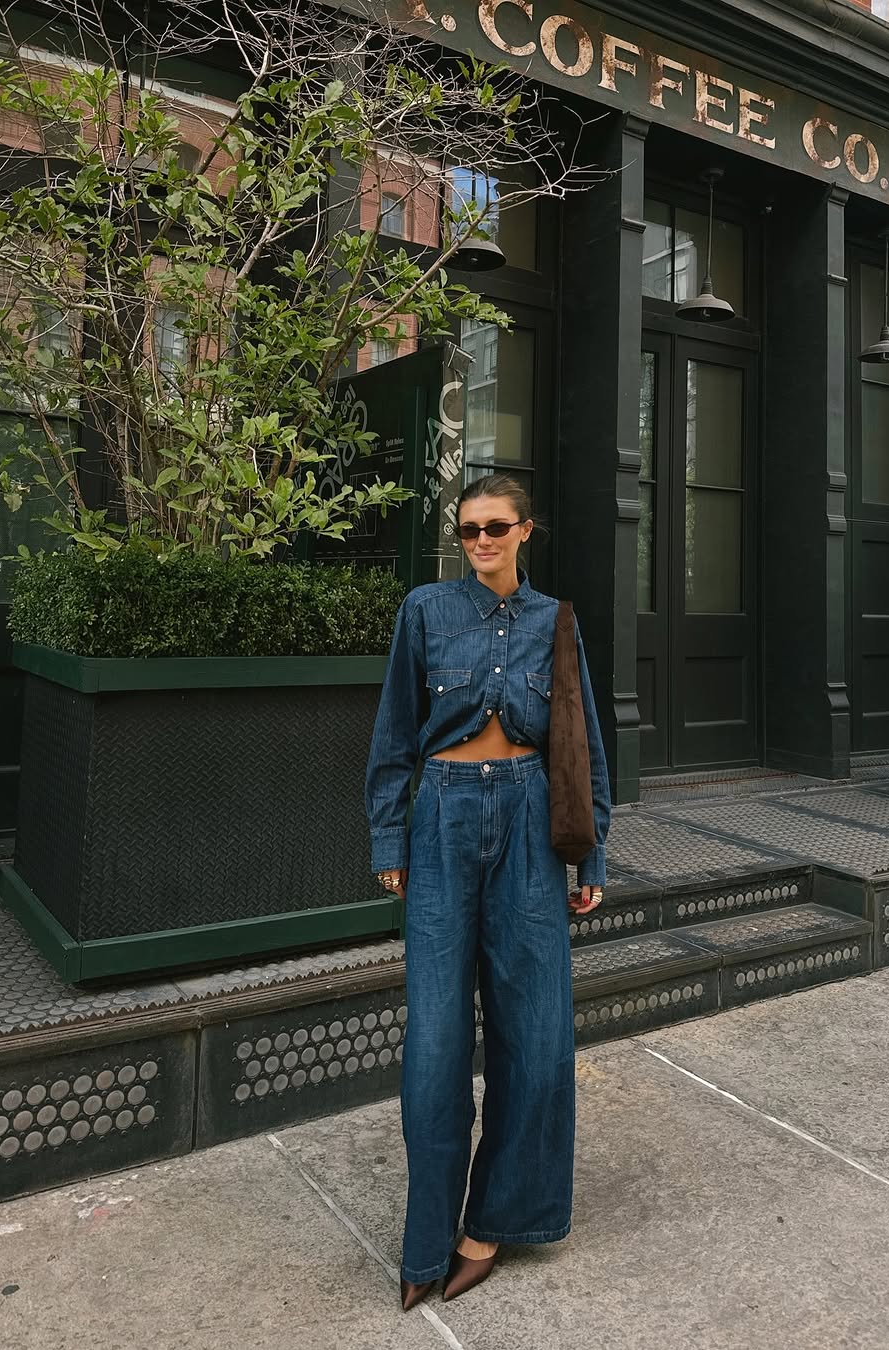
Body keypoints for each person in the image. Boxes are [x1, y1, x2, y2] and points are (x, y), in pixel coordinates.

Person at [364, 473, 611, 1310]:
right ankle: (426, 1238)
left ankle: (490, 1224)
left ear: (525, 531)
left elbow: (583, 743)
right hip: (440, 816)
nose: (480, 542)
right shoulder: (425, 611)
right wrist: (387, 837)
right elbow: (395, 733)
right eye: (468, 529)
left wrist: (594, 856)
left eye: (495, 527)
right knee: (434, 1040)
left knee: (534, 1036)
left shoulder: (556, 622)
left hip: (531, 826)